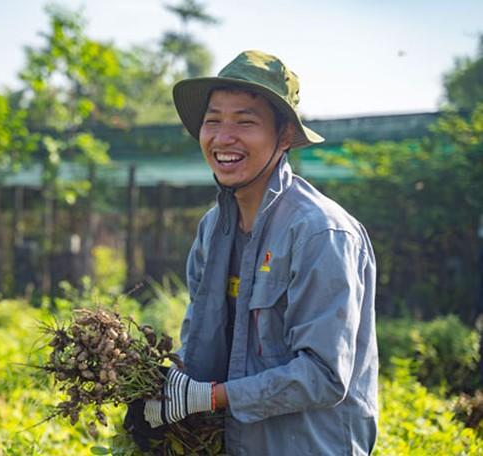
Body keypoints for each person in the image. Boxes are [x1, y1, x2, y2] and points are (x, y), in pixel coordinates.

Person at [126, 50, 379, 455]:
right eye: (213, 121)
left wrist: (207, 397)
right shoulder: (212, 230)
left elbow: (324, 375)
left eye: (245, 122)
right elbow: (199, 344)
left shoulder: (320, 233)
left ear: (283, 137)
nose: (224, 138)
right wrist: (163, 394)